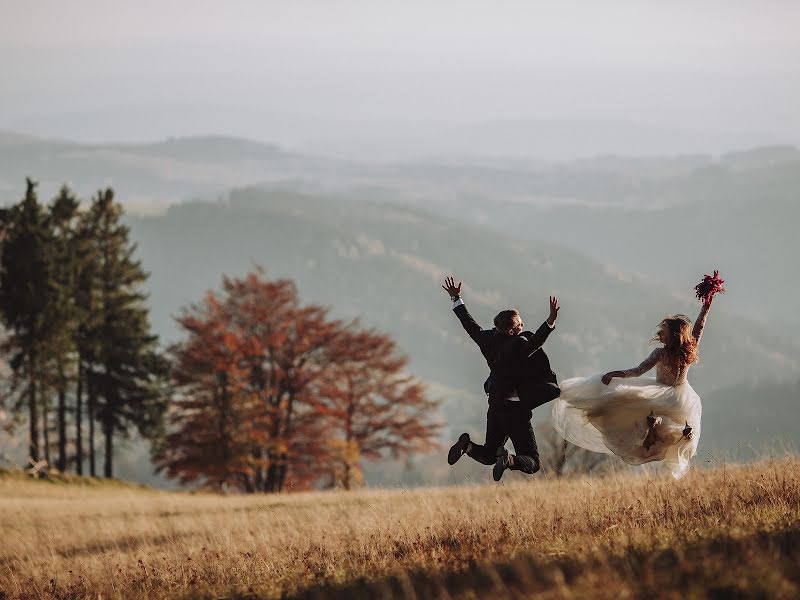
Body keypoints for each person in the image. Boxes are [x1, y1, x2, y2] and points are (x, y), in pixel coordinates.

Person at [551, 296, 714, 479]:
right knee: (663, 429)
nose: (659, 334)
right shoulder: (688, 350)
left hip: (660, 394)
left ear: (673, 335)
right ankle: (676, 431)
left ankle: (655, 425)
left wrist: (613, 374)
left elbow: (637, 371)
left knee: (616, 404)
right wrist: (707, 305)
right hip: (682, 399)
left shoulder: (660, 353)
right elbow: (699, 327)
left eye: (663, 332)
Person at [442, 276, 560, 481]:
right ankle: (510, 460)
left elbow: (470, 325)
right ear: (515, 330)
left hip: (495, 407)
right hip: (516, 411)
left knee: (489, 454)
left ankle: (467, 446)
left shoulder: (487, 340)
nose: (523, 326)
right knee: (532, 462)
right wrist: (550, 321)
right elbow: (536, 341)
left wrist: (456, 299)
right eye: (521, 324)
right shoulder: (520, 346)